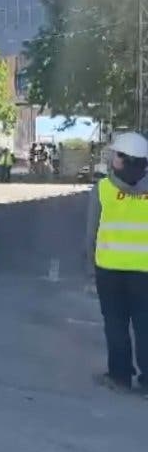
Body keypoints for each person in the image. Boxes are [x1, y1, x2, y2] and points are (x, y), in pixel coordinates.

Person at [86, 131, 148, 392]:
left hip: (109, 271)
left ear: (122, 160)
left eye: (115, 155)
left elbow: (91, 234)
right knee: (145, 326)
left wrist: (90, 269)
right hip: (144, 272)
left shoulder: (103, 189)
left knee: (116, 324)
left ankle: (120, 377)